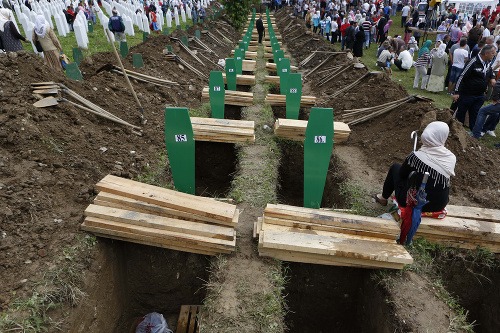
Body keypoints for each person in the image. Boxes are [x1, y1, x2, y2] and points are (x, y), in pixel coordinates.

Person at [374, 121, 456, 213]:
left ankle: (383, 197)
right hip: (439, 205)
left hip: (415, 203)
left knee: (395, 167)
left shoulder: (416, 157)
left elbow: (402, 174)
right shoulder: (451, 158)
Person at [453, 44, 497, 129]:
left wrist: (492, 78)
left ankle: (473, 134)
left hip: (480, 95)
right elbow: (462, 76)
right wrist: (456, 92)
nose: (494, 55)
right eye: (493, 53)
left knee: (475, 114)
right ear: (486, 53)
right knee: (461, 114)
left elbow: (490, 72)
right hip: (467, 94)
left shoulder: (487, 63)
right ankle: (457, 132)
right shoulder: (473, 62)